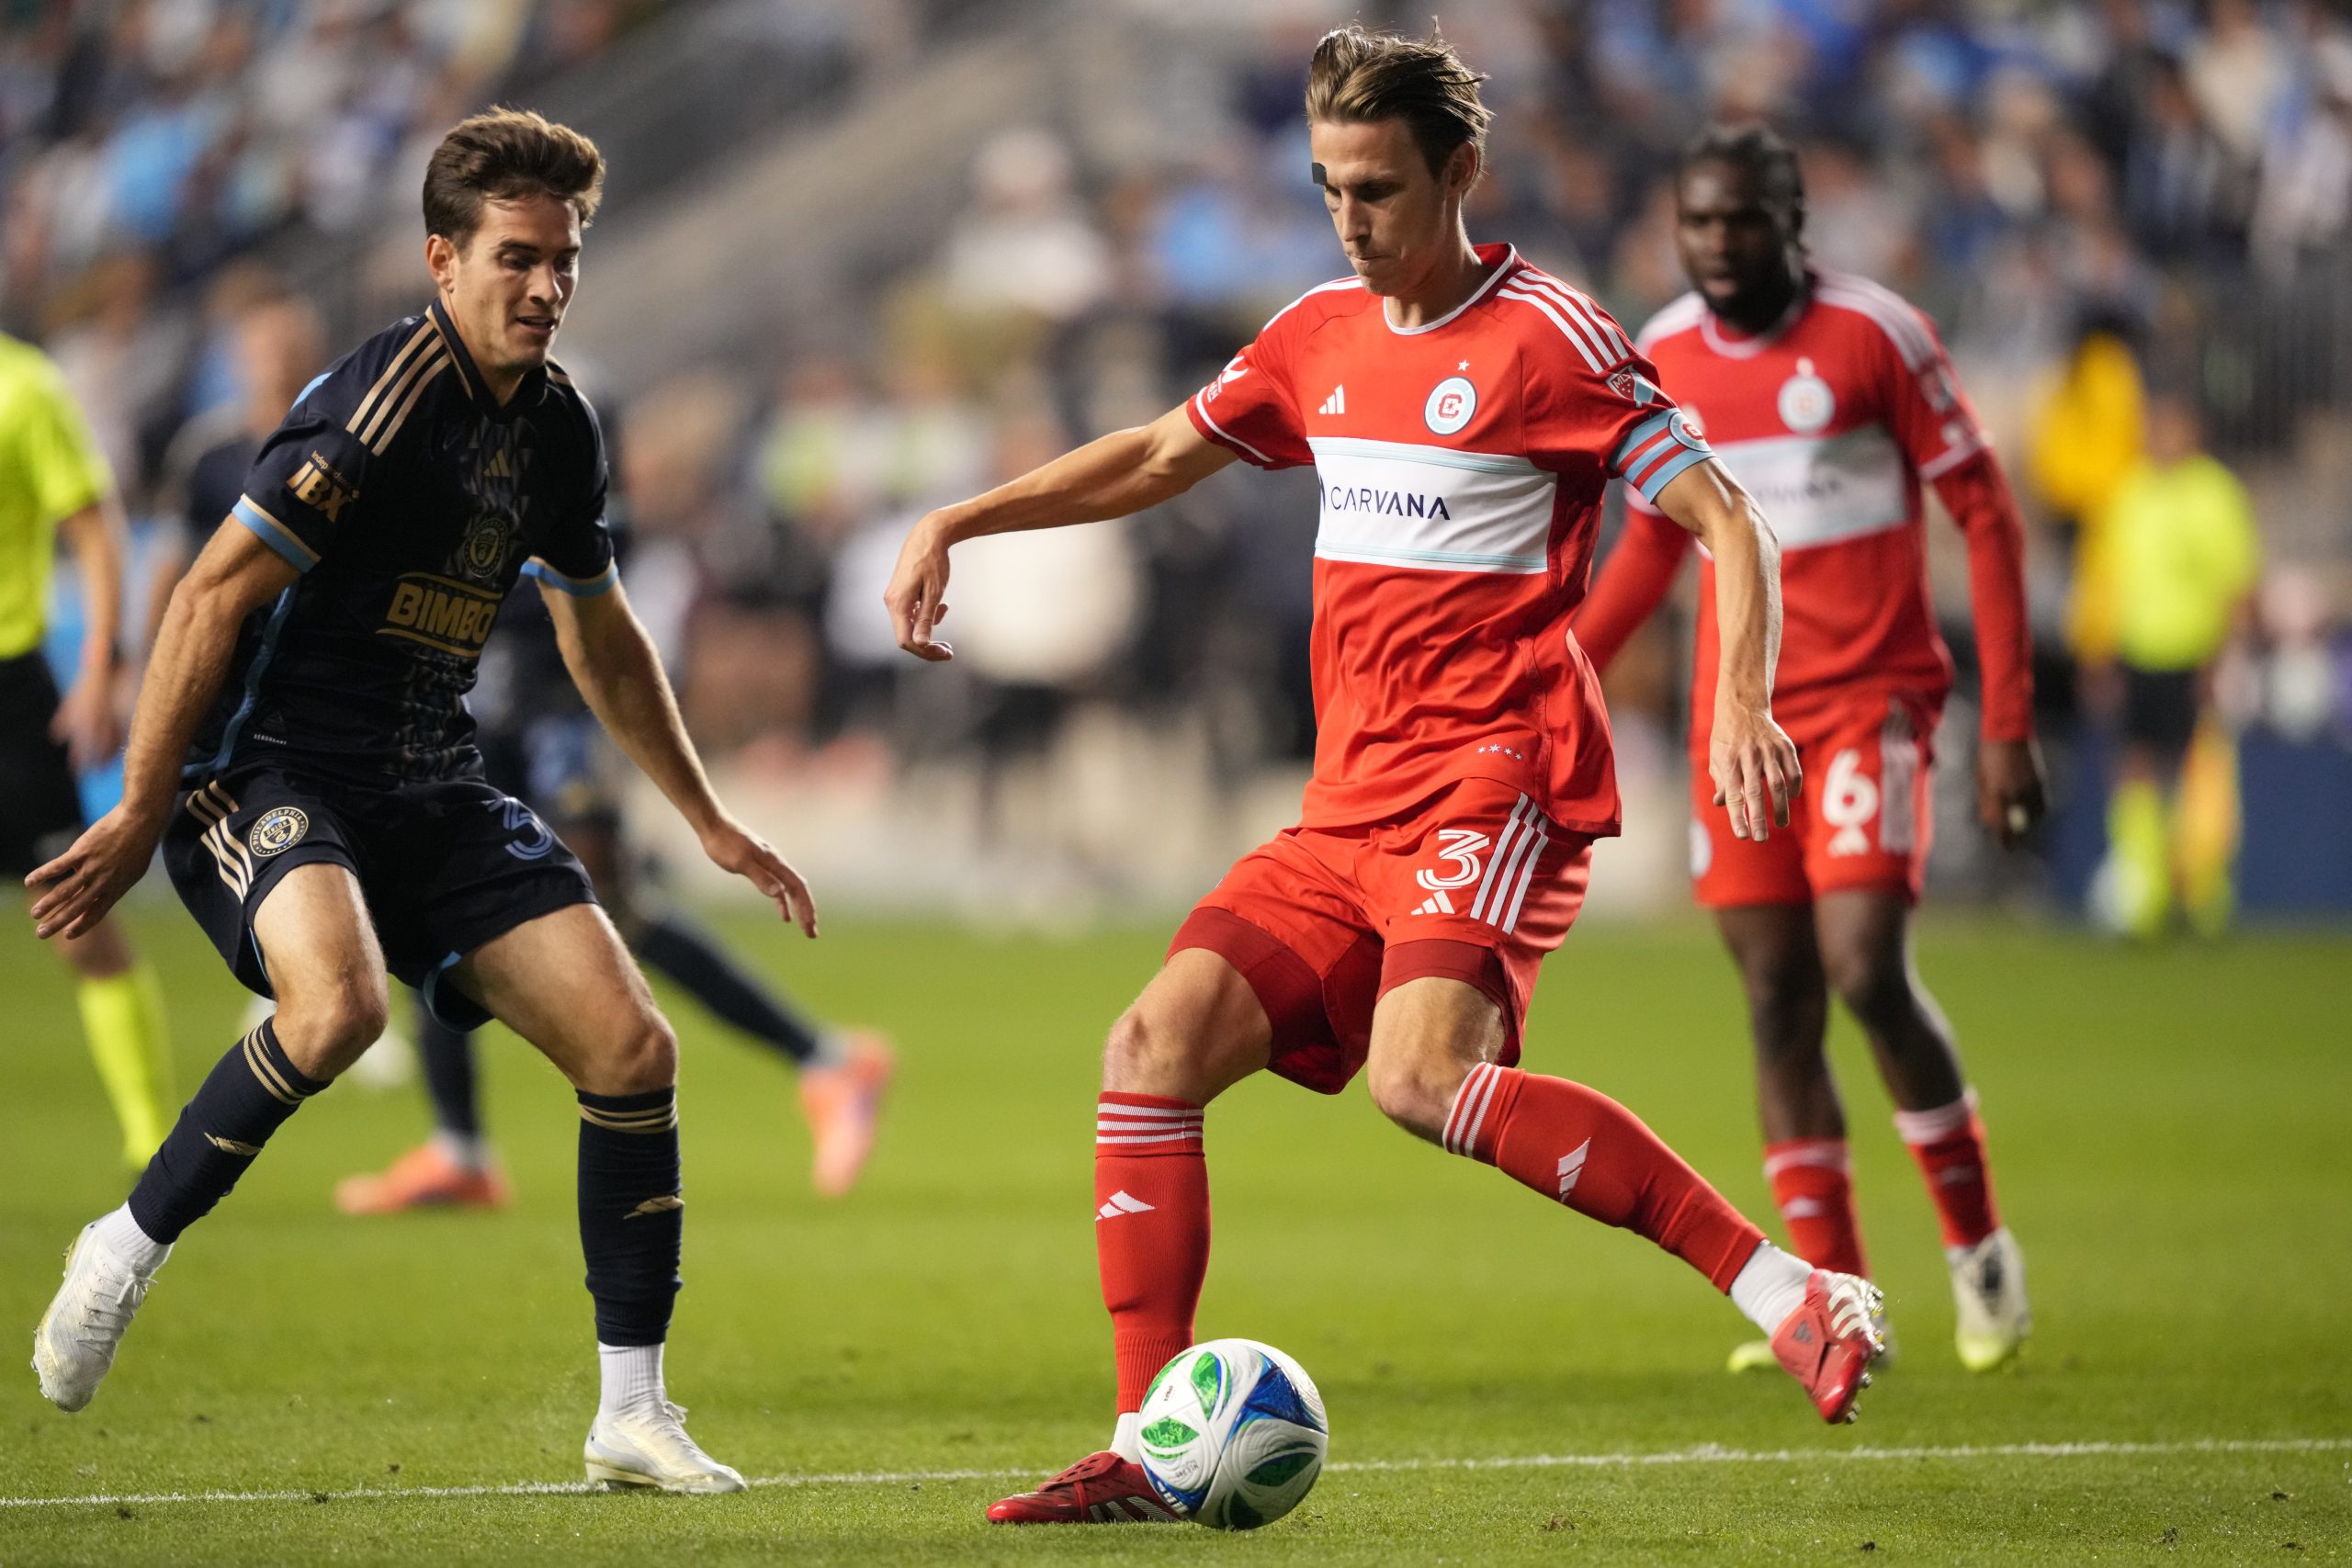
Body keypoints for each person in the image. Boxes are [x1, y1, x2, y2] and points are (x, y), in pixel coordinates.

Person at [885, 29, 1885, 1528]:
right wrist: (962, 516)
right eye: (1329, 186)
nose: (1350, 216)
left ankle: (1792, 1286)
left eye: (1380, 186)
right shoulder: (1315, 336)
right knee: (1148, 1047)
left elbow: (1728, 519)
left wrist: (1738, 695)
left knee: (1420, 1081)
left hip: (1497, 776)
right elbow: (1161, 455)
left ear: (1460, 172)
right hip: (1348, 799)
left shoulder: (1554, 336)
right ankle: (1156, 1443)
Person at [26, 108, 813, 1495]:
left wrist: (703, 817)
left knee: (633, 1047)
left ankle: (631, 1410)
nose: (547, 287)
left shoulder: (559, 427)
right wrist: (145, 804)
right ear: (442, 259)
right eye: (517, 258)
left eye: (564, 260)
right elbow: (209, 591)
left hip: (429, 775)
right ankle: (124, 1244)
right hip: (267, 768)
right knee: (337, 1008)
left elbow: (603, 633)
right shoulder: (379, 404)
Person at [155, 290, 892, 1210]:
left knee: (607, 902)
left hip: (548, 708)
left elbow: (586, 598)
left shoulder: (559, 424)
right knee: (434, 901)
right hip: (462, 708)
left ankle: (824, 1058)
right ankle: (460, 1146)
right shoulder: (370, 419)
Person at [1571, 125, 2044, 1374]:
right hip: (1741, 715)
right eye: (1700, 223)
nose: (1721, 245)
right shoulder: (1660, 353)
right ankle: (1836, 1297)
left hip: (1871, 698)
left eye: (1744, 221)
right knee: (1777, 995)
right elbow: (1653, 549)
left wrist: (2007, 722)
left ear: (1796, 224)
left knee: (1863, 966)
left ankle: (1979, 1244)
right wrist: (1555, 671)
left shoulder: (1877, 336)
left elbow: (1985, 511)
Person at [1, 330, 176, 1168]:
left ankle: (151, 1136)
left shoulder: (25, 388)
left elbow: (95, 530)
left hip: (10, 695)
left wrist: (101, 660)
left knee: (76, 918)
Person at [2086, 392, 2260, 937]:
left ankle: (2202, 894)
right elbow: (2106, 583)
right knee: (2135, 767)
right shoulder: (2129, 492)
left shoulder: (2215, 494)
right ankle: (2145, 889)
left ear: (2194, 429)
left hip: (2195, 656)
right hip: (2137, 653)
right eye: (2155, 425)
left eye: (2173, 425)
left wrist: (2224, 657)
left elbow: (2237, 585)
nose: (2163, 436)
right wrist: (2100, 653)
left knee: (2199, 772)